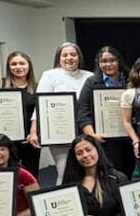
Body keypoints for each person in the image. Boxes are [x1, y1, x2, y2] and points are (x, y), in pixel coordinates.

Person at [30, 42, 93, 183]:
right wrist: (34, 131)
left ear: (79, 57)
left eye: (73, 54)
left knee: (86, 171)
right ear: (59, 58)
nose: (69, 58)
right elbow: (39, 106)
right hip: (59, 133)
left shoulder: (90, 76)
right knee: (64, 170)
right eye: (65, 55)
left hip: (85, 131)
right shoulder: (50, 75)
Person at [77, 46, 133, 177]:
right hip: (105, 140)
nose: (108, 64)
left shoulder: (131, 80)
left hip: (129, 136)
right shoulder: (91, 82)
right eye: (103, 61)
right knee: (109, 175)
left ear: (118, 61)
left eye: (112, 60)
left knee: (128, 173)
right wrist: (92, 136)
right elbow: (83, 112)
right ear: (98, 63)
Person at [0, 51, 41, 178]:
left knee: (31, 174)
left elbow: (39, 113)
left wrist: (34, 133)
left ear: (29, 66)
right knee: (7, 175)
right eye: (14, 64)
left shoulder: (38, 87)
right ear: (8, 67)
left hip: (30, 140)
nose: (18, 67)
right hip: (5, 140)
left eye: (22, 63)